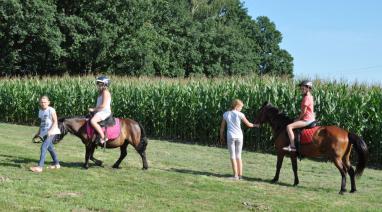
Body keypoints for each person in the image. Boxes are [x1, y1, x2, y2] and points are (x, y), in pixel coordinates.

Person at [219, 99, 259, 180]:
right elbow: (249, 124)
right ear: (237, 106)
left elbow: (222, 128)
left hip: (231, 136)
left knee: (232, 156)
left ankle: (235, 176)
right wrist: (256, 125)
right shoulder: (240, 114)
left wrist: (221, 137)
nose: (241, 109)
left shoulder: (226, 114)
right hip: (239, 137)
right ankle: (240, 176)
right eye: (241, 107)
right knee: (239, 156)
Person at [30, 96, 61, 173]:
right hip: (44, 132)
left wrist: (50, 131)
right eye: (42, 102)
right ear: (40, 103)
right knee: (50, 148)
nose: (43, 103)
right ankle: (57, 164)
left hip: (52, 132)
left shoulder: (51, 110)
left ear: (48, 102)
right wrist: (38, 132)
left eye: (45, 102)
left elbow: (55, 122)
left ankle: (40, 167)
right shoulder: (40, 111)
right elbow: (42, 123)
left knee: (43, 147)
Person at [283, 80, 315, 152]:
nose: (301, 90)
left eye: (303, 88)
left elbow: (303, 112)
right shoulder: (310, 96)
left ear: (308, 88)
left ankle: (292, 146)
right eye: (301, 88)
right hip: (311, 118)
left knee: (289, 126)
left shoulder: (306, 98)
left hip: (307, 120)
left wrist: (298, 119)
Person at [88, 76, 112, 145]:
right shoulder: (100, 92)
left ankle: (104, 137)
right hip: (100, 111)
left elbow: (103, 105)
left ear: (105, 84)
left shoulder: (105, 92)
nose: (98, 85)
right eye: (98, 83)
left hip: (104, 111)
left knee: (93, 121)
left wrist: (93, 109)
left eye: (100, 83)